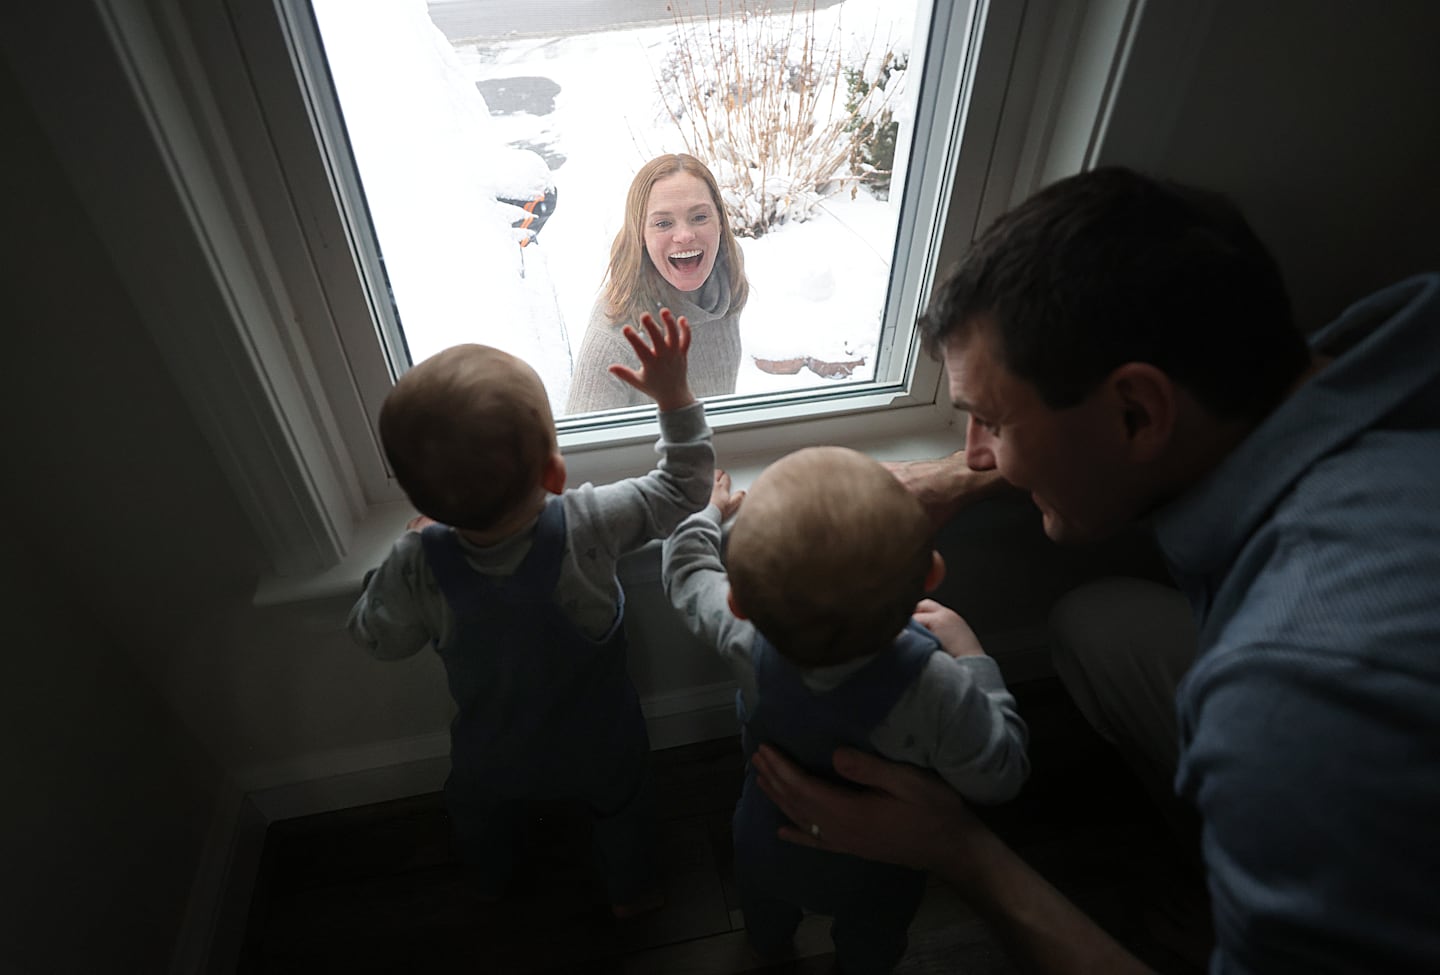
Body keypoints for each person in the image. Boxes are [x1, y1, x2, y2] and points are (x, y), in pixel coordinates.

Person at [752, 166, 1440, 973]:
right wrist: (955, 479)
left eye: (992, 422)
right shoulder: (1381, 354)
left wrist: (958, 849)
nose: (978, 453)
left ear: (1137, 413)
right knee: (1096, 625)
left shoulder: (1296, 707)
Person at [347, 310, 714, 917]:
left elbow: (377, 636)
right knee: (624, 807)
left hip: (495, 754)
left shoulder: (418, 563)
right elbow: (682, 491)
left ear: (419, 500)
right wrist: (674, 397)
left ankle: (490, 881)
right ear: (554, 470)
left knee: (477, 812)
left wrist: (396, 564)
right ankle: (632, 893)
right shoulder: (591, 522)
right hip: (602, 741)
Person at [662, 446, 1029, 973]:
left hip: (768, 834)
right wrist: (972, 656)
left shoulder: (742, 635)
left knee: (765, 908)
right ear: (930, 574)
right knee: (874, 936)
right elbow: (1000, 774)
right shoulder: (936, 687)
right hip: (882, 863)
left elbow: (686, 571)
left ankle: (766, 945)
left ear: (739, 603)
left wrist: (708, 514)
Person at [566, 153, 750, 413]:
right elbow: (582, 447)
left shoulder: (727, 271)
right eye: (663, 223)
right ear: (640, 233)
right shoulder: (614, 335)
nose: (685, 235)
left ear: (720, 220)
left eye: (699, 217)